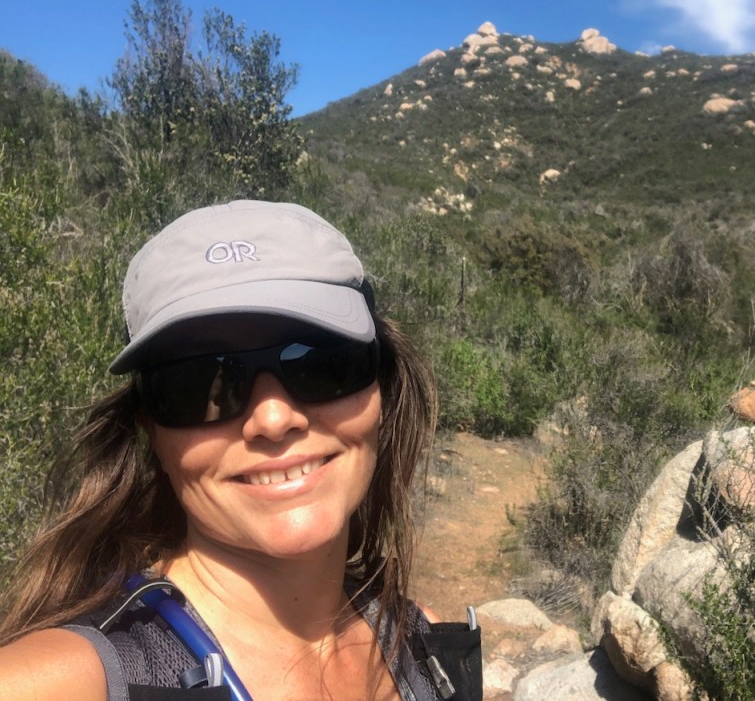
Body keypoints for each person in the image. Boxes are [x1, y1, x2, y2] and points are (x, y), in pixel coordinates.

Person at [0, 200, 480, 701]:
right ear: (152, 432)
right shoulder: (77, 680)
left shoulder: (423, 646)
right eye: (200, 383)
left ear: (381, 387)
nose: (273, 419)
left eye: (320, 363)